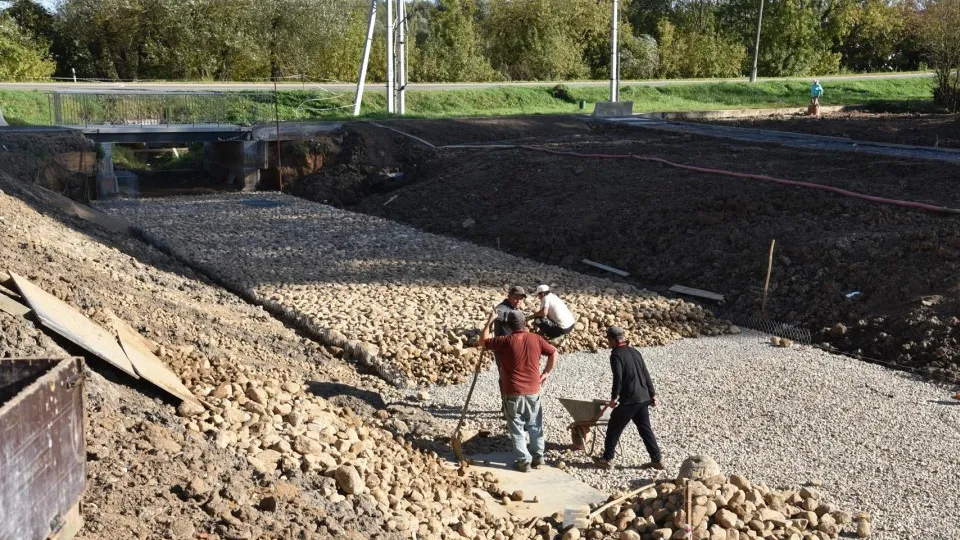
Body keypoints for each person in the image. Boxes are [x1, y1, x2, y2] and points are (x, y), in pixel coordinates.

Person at [480, 310, 558, 472]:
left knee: (517, 428)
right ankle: (538, 456)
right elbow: (553, 352)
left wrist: (490, 321)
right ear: (525, 324)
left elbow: (483, 341)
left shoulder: (505, 340)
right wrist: (546, 373)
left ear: (508, 326)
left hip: (513, 392)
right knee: (535, 425)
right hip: (533, 390)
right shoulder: (536, 339)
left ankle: (523, 461)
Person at [593, 326, 664, 471]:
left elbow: (617, 378)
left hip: (630, 400)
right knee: (645, 430)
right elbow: (646, 373)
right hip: (643, 397)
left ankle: (607, 459)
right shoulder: (635, 352)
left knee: (613, 428)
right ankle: (657, 460)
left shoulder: (616, 355)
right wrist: (652, 394)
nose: (608, 343)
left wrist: (614, 398)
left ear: (612, 340)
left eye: (608, 340)